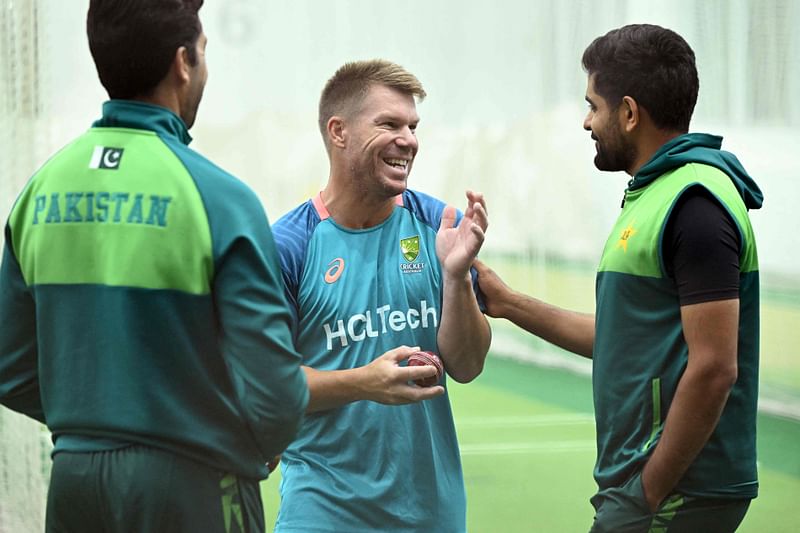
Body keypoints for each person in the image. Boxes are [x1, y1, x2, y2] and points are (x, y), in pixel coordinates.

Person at [0, 1, 309, 532]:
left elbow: (9, 367)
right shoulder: (220, 199)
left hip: (74, 480)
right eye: (204, 52)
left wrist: (98, 427)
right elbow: (276, 393)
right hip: (193, 480)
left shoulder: (39, 192)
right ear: (183, 62)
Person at [475, 24, 762, 533]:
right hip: (653, 489)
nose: (587, 122)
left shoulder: (694, 204)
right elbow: (623, 341)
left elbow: (716, 367)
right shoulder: (653, 193)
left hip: (679, 492)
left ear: (629, 113)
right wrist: (507, 302)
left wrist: (645, 492)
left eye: (593, 106)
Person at [270, 59, 491, 532]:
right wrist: (363, 382)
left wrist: (455, 278)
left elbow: (468, 366)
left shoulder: (440, 226)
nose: (408, 139)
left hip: (431, 513)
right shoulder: (289, 245)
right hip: (321, 509)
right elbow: (266, 383)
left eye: (412, 126)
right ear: (339, 132)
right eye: (389, 123)